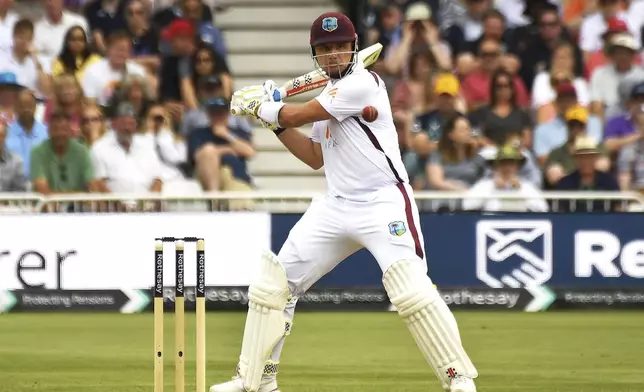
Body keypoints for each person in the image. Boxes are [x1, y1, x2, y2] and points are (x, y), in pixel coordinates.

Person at [213, 12, 478, 392]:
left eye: (340, 47)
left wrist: (264, 108)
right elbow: (314, 157)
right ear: (315, 55)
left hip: (384, 201)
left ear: (354, 48)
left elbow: (301, 112)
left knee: (412, 291)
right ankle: (255, 380)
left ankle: (458, 380)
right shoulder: (328, 96)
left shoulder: (363, 84)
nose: (334, 55)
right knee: (275, 285)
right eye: (325, 49)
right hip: (335, 206)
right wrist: (273, 123)